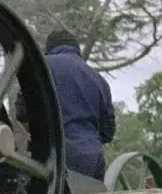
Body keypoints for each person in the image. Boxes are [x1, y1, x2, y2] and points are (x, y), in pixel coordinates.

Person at [43, 29, 115, 179]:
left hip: (58, 156)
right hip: (94, 159)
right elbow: (108, 132)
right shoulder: (99, 79)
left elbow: (22, 111)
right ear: (77, 50)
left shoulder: (44, 66)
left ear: (48, 49)